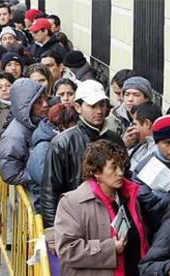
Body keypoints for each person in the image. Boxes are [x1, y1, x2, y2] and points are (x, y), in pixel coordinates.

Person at [55, 139, 148, 276]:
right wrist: (110, 248)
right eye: (113, 167)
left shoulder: (129, 197)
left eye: (121, 166)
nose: (120, 173)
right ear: (96, 172)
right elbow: (68, 249)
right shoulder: (72, 203)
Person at [41, 80, 126, 227]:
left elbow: (126, 178)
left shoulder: (115, 139)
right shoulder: (62, 143)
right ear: (78, 107)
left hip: (112, 219)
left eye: (102, 105)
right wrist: (54, 232)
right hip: (76, 219)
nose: (99, 111)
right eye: (92, 106)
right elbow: (50, 191)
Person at [27, 103, 79, 212]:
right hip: (47, 209)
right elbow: (47, 182)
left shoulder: (56, 142)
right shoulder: (43, 148)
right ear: (61, 126)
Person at [0, 78, 49, 185]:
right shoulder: (13, 136)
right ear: (26, 106)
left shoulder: (39, 122)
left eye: (44, 99)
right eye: (38, 102)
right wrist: (37, 176)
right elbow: (10, 174)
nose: (45, 104)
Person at [107, 76, 152, 148]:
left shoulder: (154, 118)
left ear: (146, 98)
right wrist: (123, 144)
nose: (130, 99)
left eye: (136, 95)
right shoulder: (112, 121)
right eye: (127, 94)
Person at [128, 102, 162, 171]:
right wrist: (124, 144)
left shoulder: (158, 152)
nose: (132, 128)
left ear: (147, 124)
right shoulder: (142, 145)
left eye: (135, 124)